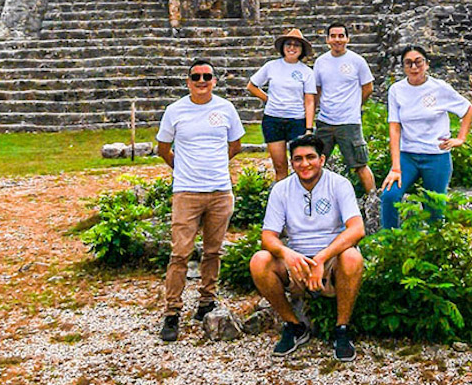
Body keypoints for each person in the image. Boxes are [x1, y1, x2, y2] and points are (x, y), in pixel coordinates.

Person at [249, 133, 365, 362]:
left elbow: (357, 229)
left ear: (322, 159)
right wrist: (287, 254)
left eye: (310, 157)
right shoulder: (281, 189)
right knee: (259, 261)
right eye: (298, 159)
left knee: (352, 256)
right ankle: (294, 325)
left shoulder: (339, 184)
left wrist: (321, 259)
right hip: (297, 261)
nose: (305, 164)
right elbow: (268, 236)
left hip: (331, 260)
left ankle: (342, 328)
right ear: (291, 162)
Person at [155, 59, 245, 342]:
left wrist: (214, 165)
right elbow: (163, 148)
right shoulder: (175, 111)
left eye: (207, 76)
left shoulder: (226, 108)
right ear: (188, 81)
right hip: (187, 192)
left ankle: (207, 299)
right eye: (196, 76)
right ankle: (172, 311)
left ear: (215, 81)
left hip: (219, 190)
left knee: (213, 251)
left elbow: (235, 145)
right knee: (180, 253)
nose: (202, 81)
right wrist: (183, 169)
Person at [381, 45, 472, 230]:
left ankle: (435, 250)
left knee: (434, 208)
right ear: (403, 67)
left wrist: (460, 138)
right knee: (389, 195)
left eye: (418, 62)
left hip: (436, 155)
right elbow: (394, 128)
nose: (414, 67)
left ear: (426, 64)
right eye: (408, 63)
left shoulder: (439, 87)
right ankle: (389, 243)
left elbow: (468, 109)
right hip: (408, 155)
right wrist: (395, 167)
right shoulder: (396, 90)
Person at [312, 22, 376, 195]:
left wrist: (355, 106)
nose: (337, 40)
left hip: (349, 122)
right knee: (314, 163)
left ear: (347, 38)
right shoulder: (321, 62)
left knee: (360, 165)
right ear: (327, 40)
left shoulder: (357, 61)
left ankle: (374, 203)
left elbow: (368, 87)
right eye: (333, 36)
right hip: (325, 121)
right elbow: (316, 90)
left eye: (341, 36)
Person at [247, 28, 316, 180]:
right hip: (273, 119)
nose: (292, 48)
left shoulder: (307, 72)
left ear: (302, 50)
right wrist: (268, 99)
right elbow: (252, 85)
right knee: (280, 166)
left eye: (296, 45)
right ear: (283, 47)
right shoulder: (271, 66)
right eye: (289, 44)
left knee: (301, 165)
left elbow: (309, 100)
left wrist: (309, 128)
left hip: (297, 120)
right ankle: (282, 199)